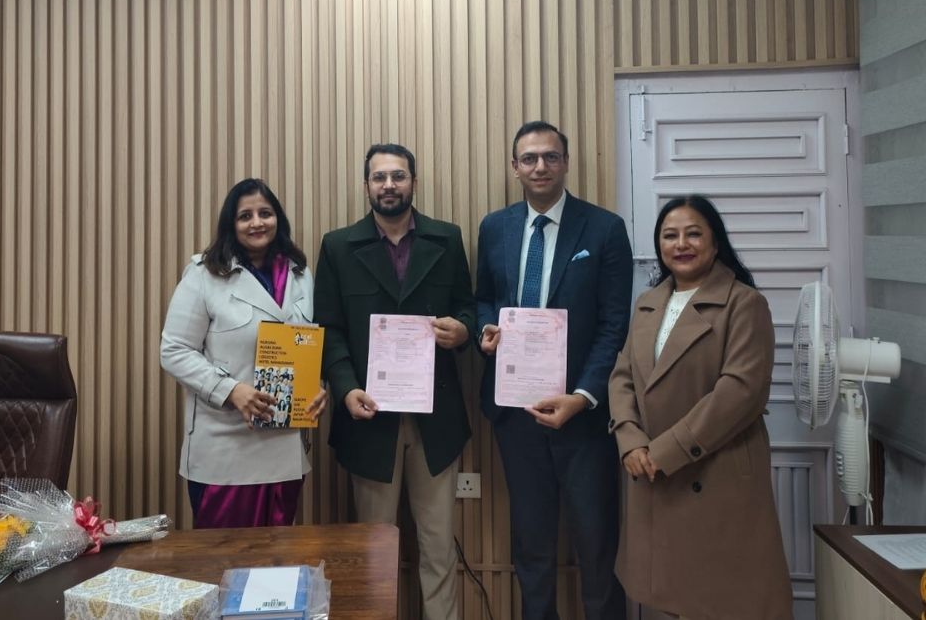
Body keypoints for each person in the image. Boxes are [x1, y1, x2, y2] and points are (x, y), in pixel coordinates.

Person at [608, 195, 793, 619]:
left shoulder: (744, 303)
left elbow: (741, 391)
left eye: (693, 234)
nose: (681, 244)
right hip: (651, 468)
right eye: (669, 235)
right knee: (671, 594)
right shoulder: (648, 303)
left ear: (715, 242)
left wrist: (664, 451)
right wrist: (631, 441)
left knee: (722, 598)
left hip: (713, 469)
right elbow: (622, 376)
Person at [475, 121, 631, 620]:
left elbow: (614, 324)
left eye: (550, 157)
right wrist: (484, 330)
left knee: (597, 544)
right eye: (529, 158)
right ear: (514, 167)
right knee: (532, 543)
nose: (539, 166)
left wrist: (583, 396)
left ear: (566, 162)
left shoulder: (604, 228)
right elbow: (484, 299)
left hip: (582, 415)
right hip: (516, 411)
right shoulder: (494, 227)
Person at [313, 143, 476, 620]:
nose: (389, 185)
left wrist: (463, 330)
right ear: (366, 185)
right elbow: (328, 329)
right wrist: (346, 388)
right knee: (373, 550)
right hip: (369, 417)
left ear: (413, 183)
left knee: (439, 549)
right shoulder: (338, 246)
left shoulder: (447, 238)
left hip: (437, 420)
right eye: (380, 177)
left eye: (398, 176)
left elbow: (468, 307)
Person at [160, 178, 326, 529]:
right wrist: (231, 390)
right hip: (225, 447)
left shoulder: (300, 274)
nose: (257, 223)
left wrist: (317, 387)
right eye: (245, 216)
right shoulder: (204, 274)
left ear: (278, 219)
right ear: (230, 224)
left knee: (277, 557)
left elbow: (307, 342)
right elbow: (174, 350)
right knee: (223, 556)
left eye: (265, 213)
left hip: (284, 447)